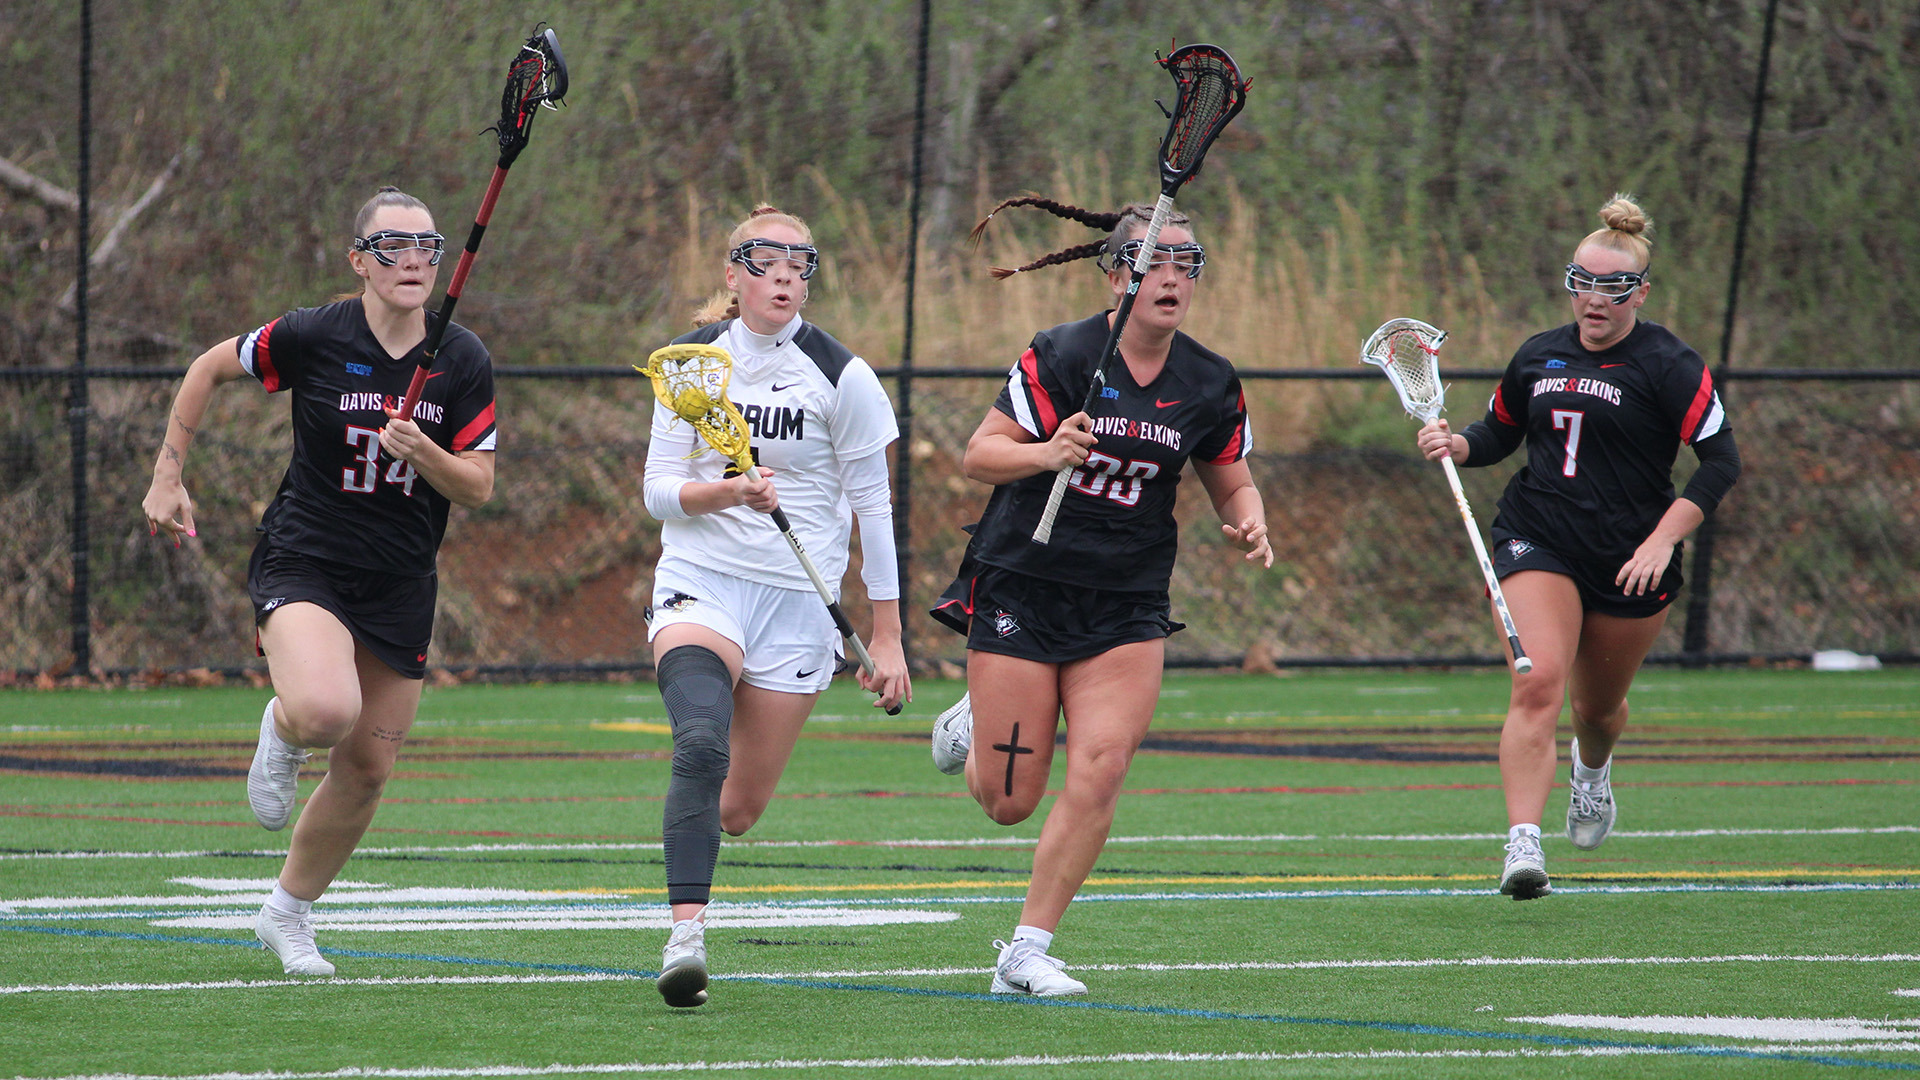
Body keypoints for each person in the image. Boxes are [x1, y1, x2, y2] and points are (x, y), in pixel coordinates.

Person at [142, 186, 498, 972]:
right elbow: (207, 368)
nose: (412, 260)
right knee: (326, 710)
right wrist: (168, 475)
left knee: (368, 770)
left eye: (427, 247)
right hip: (307, 558)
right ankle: (284, 729)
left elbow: (478, 486)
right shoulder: (314, 334)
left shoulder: (461, 357)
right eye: (392, 247)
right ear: (359, 262)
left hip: (401, 580)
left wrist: (425, 453)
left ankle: (287, 913)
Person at [927, 197, 1271, 996]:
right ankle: (975, 722)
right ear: (1118, 275)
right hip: (1025, 583)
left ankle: (1025, 950)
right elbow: (980, 455)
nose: (1172, 277)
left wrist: (1249, 519)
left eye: (1188, 264)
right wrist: (1048, 452)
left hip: (1125, 600)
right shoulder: (1064, 353)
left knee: (1103, 766)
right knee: (1008, 802)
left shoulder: (1209, 380)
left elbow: (1232, 481)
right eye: (1156, 262)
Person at [1415, 193, 1741, 900]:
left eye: (1612, 286)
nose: (1594, 298)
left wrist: (1661, 542)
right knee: (1537, 682)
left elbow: (1721, 461)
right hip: (1538, 536)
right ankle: (1522, 845)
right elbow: (1499, 433)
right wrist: (1458, 443)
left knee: (1596, 711)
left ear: (1640, 292)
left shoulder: (1670, 363)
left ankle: (1590, 771)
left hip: (1630, 557)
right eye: (1581, 281)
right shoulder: (1540, 354)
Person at [641, 204, 910, 1008]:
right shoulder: (691, 365)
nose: (786, 275)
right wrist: (729, 491)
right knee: (699, 742)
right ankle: (685, 938)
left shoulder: (842, 376)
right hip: (703, 579)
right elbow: (659, 490)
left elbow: (874, 506)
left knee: (736, 808)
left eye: (801, 263)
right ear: (734, 275)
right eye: (767, 261)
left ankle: (693, 831)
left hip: (799, 602)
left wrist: (888, 634)